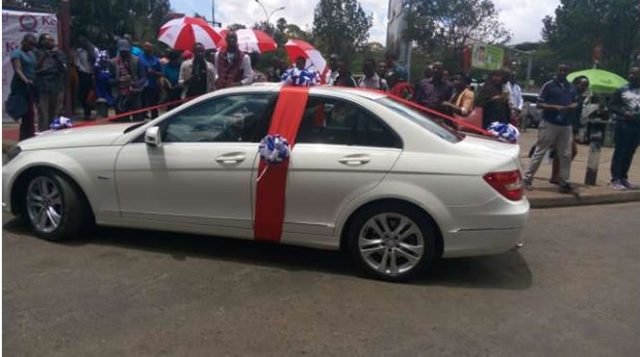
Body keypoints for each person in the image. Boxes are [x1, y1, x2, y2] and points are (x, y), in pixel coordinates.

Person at [523, 64, 578, 194]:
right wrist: (555, 107)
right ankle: (527, 179)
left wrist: (570, 106)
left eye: (565, 70)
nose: (562, 73)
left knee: (566, 154)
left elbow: (576, 102)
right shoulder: (549, 85)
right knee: (540, 152)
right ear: (557, 71)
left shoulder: (571, 87)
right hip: (549, 123)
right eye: (560, 70)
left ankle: (564, 182)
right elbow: (539, 103)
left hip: (566, 124)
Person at [550, 75, 590, 184]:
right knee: (567, 152)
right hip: (564, 125)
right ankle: (557, 175)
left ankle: (558, 175)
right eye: (582, 85)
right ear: (576, 84)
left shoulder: (580, 97)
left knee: (565, 152)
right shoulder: (570, 94)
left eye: (586, 86)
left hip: (571, 126)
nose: (584, 88)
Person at [609, 66, 640, 190]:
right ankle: (615, 179)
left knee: (630, 152)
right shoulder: (621, 90)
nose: (632, 76)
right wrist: (623, 112)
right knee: (620, 151)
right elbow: (611, 105)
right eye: (630, 73)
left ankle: (623, 177)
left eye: (635, 74)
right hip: (623, 124)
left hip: (637, 125)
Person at [35, 33, 68, 132]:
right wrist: (45, 56)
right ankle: (42, 132)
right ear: (42, 42)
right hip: (43, 86)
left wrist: (56, 56)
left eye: (52, 40)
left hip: (57, 85)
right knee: (43, 113)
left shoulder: (60, 53)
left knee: (55, 112)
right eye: (48, 40)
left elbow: (64, 69)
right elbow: (36, 69)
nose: (51, 42)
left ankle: (54, 133)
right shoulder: (37, 52)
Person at [7, 34, 38, 139]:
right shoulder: (17, 53)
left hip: (31, 85)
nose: (31, 46)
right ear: (24, 42)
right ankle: (24, 137)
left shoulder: (32, 54)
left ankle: (29, 135)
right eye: (30, 44)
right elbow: (17, 69)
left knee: (30, 114)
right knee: (25, 112)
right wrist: (26, 81)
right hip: (20, 86)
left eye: (33, 44)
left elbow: (35, 68)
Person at [110, 39, 146, 121]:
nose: (125, 53)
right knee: (122, 120)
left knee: (137, 119)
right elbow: (109, 80)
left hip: (134, 93)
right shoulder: (112, 62)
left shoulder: (137, 61)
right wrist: (118, 80)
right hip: (120, 95)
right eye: (122, 51)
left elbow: (143, 78)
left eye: (126, 51)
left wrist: (135, 83)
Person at [75, 36, 99, 120]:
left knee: (91, 95)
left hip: (92, 74)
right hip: (83, 74)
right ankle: (86, 112)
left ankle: (90, 112)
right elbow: (77, 63)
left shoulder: (94, 50)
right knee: (82, 95)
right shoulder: (79, 51)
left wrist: (94, 73)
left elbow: (97, 61)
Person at [139, 42, 162, 118]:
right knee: (143, 103)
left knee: (153, 104)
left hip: (153, 85)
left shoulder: (156, 60)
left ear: (152, 49)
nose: (147, 49)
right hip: (142, 85)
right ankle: (142, 117)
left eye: (149, 47)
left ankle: (155, 119)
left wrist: (154, 72)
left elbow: (161, 73)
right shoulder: (139, 58)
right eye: (146, 47)